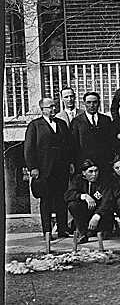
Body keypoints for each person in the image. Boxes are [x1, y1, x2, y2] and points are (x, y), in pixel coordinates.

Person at [24, 97, 73, 238]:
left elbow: (68, 146)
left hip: (61, 169)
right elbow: (29, 149)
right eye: (50, 107)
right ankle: (46, 231)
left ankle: (62, 229)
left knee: (61, 200)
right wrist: (33, 167)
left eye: (55, 106)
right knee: (46, 201)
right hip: (44, 170)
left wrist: (70, 163)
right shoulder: (35, 126)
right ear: (42, 109)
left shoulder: (62, 124)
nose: (54, 109)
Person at [64, 158, 115, 243]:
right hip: (85, 213)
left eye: (96, 171)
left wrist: (96, 216)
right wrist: (84, 196)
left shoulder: (103, 181)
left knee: (104, 234)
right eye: (90, 172)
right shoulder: (78, 180)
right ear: (84, 173)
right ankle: (83, 233)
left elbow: (108, 200)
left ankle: (100, 230)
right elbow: (67, 195)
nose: (94, 174)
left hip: (101, 215)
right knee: (73, 205)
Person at [71, 91, 113, 174]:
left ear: (99, 103)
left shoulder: (106, 120)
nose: (92, 105)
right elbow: (74, 144)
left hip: (104, 163)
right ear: (84, 103)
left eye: (94, 102)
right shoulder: (77, 121)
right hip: (85, 164)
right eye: (89, 102)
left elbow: (110, 141)